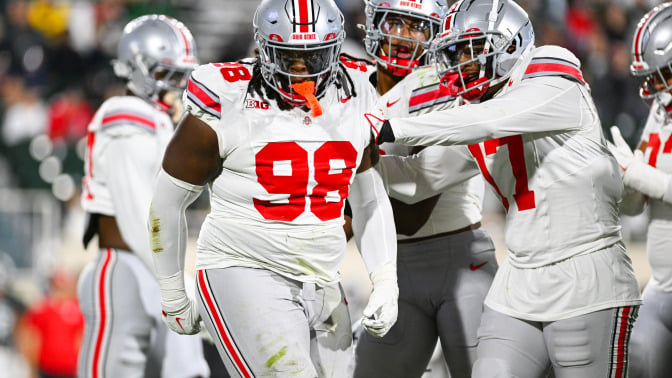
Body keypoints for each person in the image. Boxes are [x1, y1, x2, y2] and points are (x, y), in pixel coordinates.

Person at [369, 0, 643, 376]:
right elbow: (421, 180)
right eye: (454, 52)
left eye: (473, 48)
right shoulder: (481, 109)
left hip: (586, 276)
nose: (462, 62)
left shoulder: (551, 77)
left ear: (511, 43)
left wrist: (389, 127)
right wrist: (358, 159)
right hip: (518, 280)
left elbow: (489, 121)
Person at [147, 0, 399, 377]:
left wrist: (384, 279)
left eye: (312, 56)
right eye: (287, 55)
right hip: (243, 268)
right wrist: (172, 291)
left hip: (323, 279)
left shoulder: (358, 90)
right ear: (263, 48)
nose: (300, 68)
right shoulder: (226, 98)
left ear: (335, 49)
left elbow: (368, 196)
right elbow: (167, 203)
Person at [352, 1, 498, 377]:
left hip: (460, 263)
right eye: (395, 23)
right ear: (374, 24)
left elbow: (415, 208)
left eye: (418, 27)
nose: (403, 36)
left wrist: (340, 170)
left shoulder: (447, 86)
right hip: (394, 269)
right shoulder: (351, 87)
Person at [77, 14, 210, 378]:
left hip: (162, 270)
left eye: (182, 75)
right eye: (168, 74)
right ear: (137, 68)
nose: (177, 86)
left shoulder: (163, 121)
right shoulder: (126, 113)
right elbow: (138, 215)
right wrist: (178, 285)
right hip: (127, 268)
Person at [607, 3, 672, 377]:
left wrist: (642, 175)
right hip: (662, 287)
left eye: (660, 75)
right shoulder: (661, 111)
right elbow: (633, 209)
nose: (652, 88)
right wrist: (627, 181)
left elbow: (655, 180)